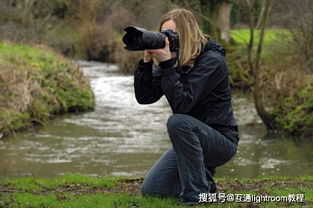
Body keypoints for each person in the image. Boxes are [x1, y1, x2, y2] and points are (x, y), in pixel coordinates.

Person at [133, 8, 239, 205]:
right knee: (153, 191)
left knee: (178, 122)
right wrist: (146, 62)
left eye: (171, 35)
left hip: (220, 141)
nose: (166, 40)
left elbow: (183, 105)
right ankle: (205, 183)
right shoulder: (175, 62)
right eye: (163, 34)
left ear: (187, 35)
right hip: (189, 142)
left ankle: (196, 197)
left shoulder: (211, 61)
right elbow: (144, 97)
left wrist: (166, 66)